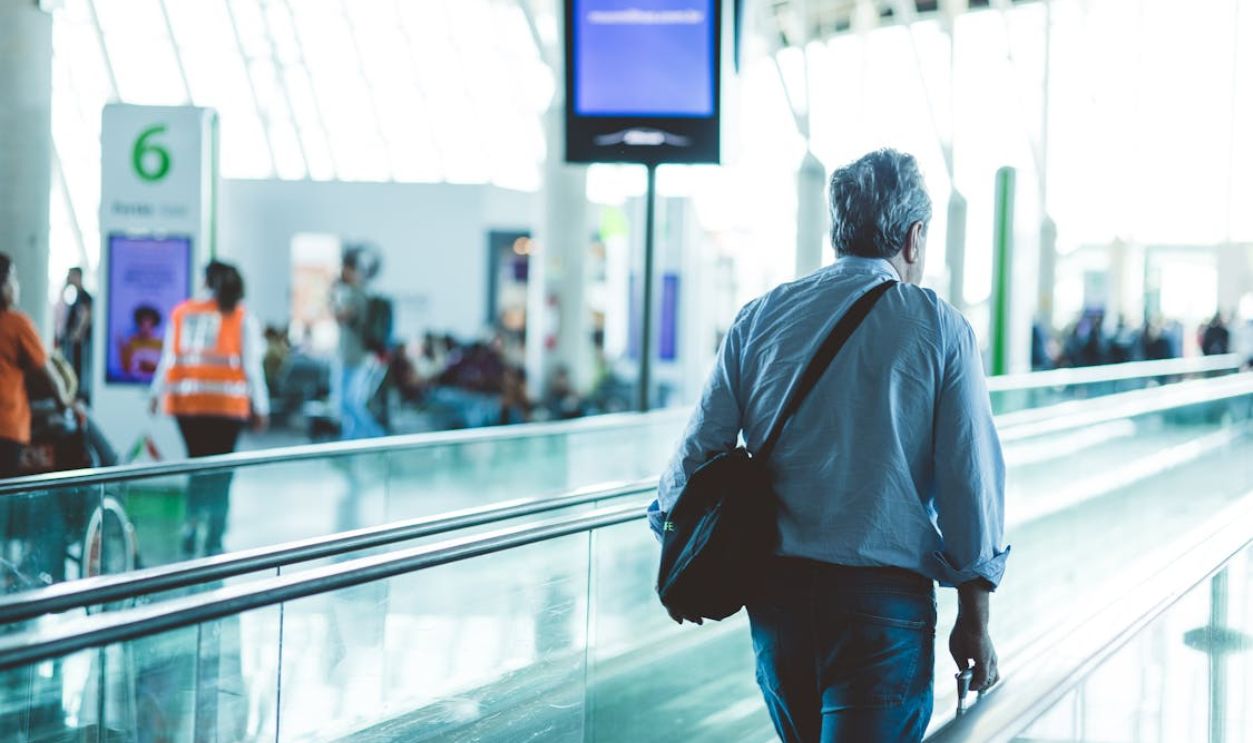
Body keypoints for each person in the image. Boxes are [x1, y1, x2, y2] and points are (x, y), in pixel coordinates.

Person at [653, 150, 1008, 742]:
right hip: (882, 608)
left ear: (837, 229)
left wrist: (680, 548)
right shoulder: (940, 328)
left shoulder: (761, 317)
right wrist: (975, 618)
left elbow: (691, 464)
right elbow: (969, 483)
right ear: (915, 238)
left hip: (777, 602)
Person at [150, 261, 268, 556]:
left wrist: (155, 393)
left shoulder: (182, 313)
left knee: (197, 468)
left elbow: (167, 359)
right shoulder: (241, 317)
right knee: (221, 472)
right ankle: (215, 534)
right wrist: (261, 407)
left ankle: (191, 528)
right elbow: (252, 368)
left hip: (187, 406)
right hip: (226, 408)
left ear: (205, 281)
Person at [0, 253, 80, 479]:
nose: (17, 286)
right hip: (6, 426)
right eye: (13, 279)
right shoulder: (17, 324)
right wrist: (64, 401)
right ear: (3, 284)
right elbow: (48, 373)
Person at [331, 249, 385, 439]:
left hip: (356, 357)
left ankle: (378, 437)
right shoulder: (357, 293)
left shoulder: (357, 294)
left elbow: (340, 316)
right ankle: (348, 442)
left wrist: (333, 296)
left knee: (350, 404)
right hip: (352, 356)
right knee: (348, 405)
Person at [54, 267, 93, 402]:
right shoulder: (75, 296)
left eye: (71, 276)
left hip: (80, 343)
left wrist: (78, 333)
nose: (69, 279)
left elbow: (86, 315)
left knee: (79, 369)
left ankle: (78, 396)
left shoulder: (84, 296)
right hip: (74, 341)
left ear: (78, 276)